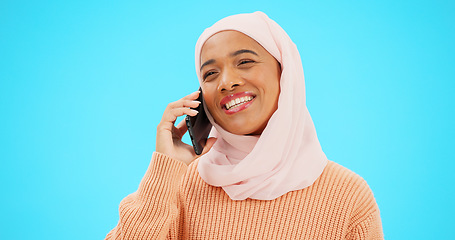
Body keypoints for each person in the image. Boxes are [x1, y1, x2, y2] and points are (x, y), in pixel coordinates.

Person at [105, 11, 383, 239]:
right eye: (211, 73)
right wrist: (166, 172)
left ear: (285, 74)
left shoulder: (348, 196)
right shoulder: (178, 186)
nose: (226, 82)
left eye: (245, 61)